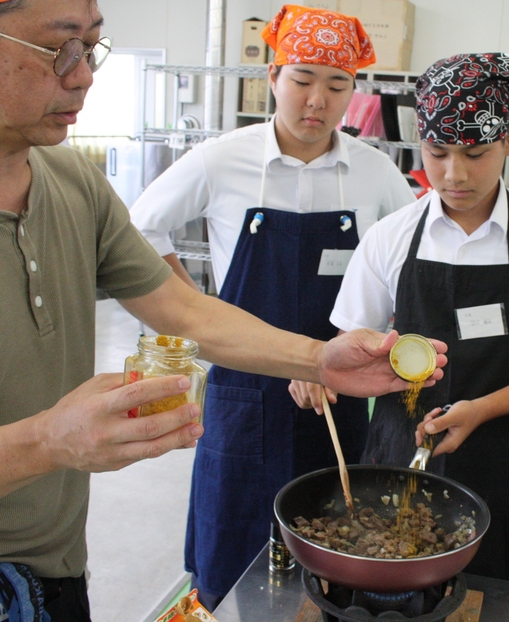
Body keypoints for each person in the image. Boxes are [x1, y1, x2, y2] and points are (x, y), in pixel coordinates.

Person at [0, 1, 445, 619]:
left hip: (56, 567)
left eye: (92, 47)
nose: (85, 74)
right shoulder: (223, 159)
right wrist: (47, 441)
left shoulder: (73, 184)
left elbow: (186, 312)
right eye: (58, 48)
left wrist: (320, 359)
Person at [291, 53, 509, 586]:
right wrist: (315, 372)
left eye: (475, 153)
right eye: (437, 153)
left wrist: (480, 411)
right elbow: (348, 341)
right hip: (398, 465)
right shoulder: (391, 235)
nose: (454, 173)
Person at [129, 4, 416, 606]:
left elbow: (403, 263)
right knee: (232, 543)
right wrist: (189, 303)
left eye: (337, 85)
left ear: (352, 92)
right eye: (302, 80)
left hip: (338, 394)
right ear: (272, 81)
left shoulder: (374, 173)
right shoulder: (222, 159)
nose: (317, 100)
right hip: (243, 392)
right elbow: (137, 231)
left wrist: (359, 343)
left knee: (331, 544)